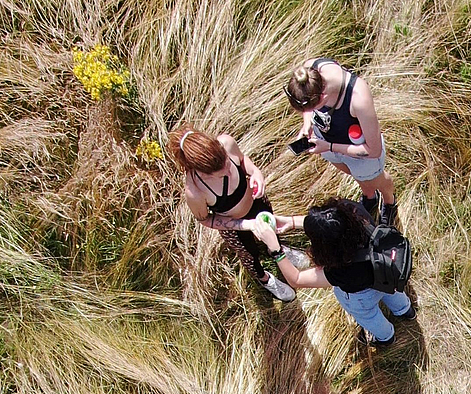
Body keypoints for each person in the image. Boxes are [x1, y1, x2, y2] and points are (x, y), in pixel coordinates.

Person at [249, 197, 414, 347]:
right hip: (386, 271)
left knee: (369, 316)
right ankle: (406, 310)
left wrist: (275, 250)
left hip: (362, 297)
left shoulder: (341, 269)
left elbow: (297, 279)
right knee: (391, 293)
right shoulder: (358, 214)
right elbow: (334, 224)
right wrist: (291, 222)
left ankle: (386, 337)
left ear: (326, 248)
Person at [167, 124, 297, 301]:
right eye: (222, 175)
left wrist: (255, 173)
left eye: (228, 164)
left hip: (257, 203)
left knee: (273, 227)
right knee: (250, 255)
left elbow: (243, 160)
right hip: (235, 228)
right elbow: (205, 220)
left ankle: (277, 249)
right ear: (204, 174)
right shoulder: (195, 192)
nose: (229, 171)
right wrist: (245, 225)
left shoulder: (226, 143)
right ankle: (265, 279)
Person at [283, 58, 396, 226]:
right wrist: (307, 124)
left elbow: (374, 150)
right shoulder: (308, 74)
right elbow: (308, 109)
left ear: (323, 96)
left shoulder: (358, 97)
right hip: (325, 143)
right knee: (356, 174)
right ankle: (370, 196)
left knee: (376, 178)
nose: (311, 112)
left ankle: (389, 202)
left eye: (313, 108)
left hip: (358, 151)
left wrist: (329, 146)